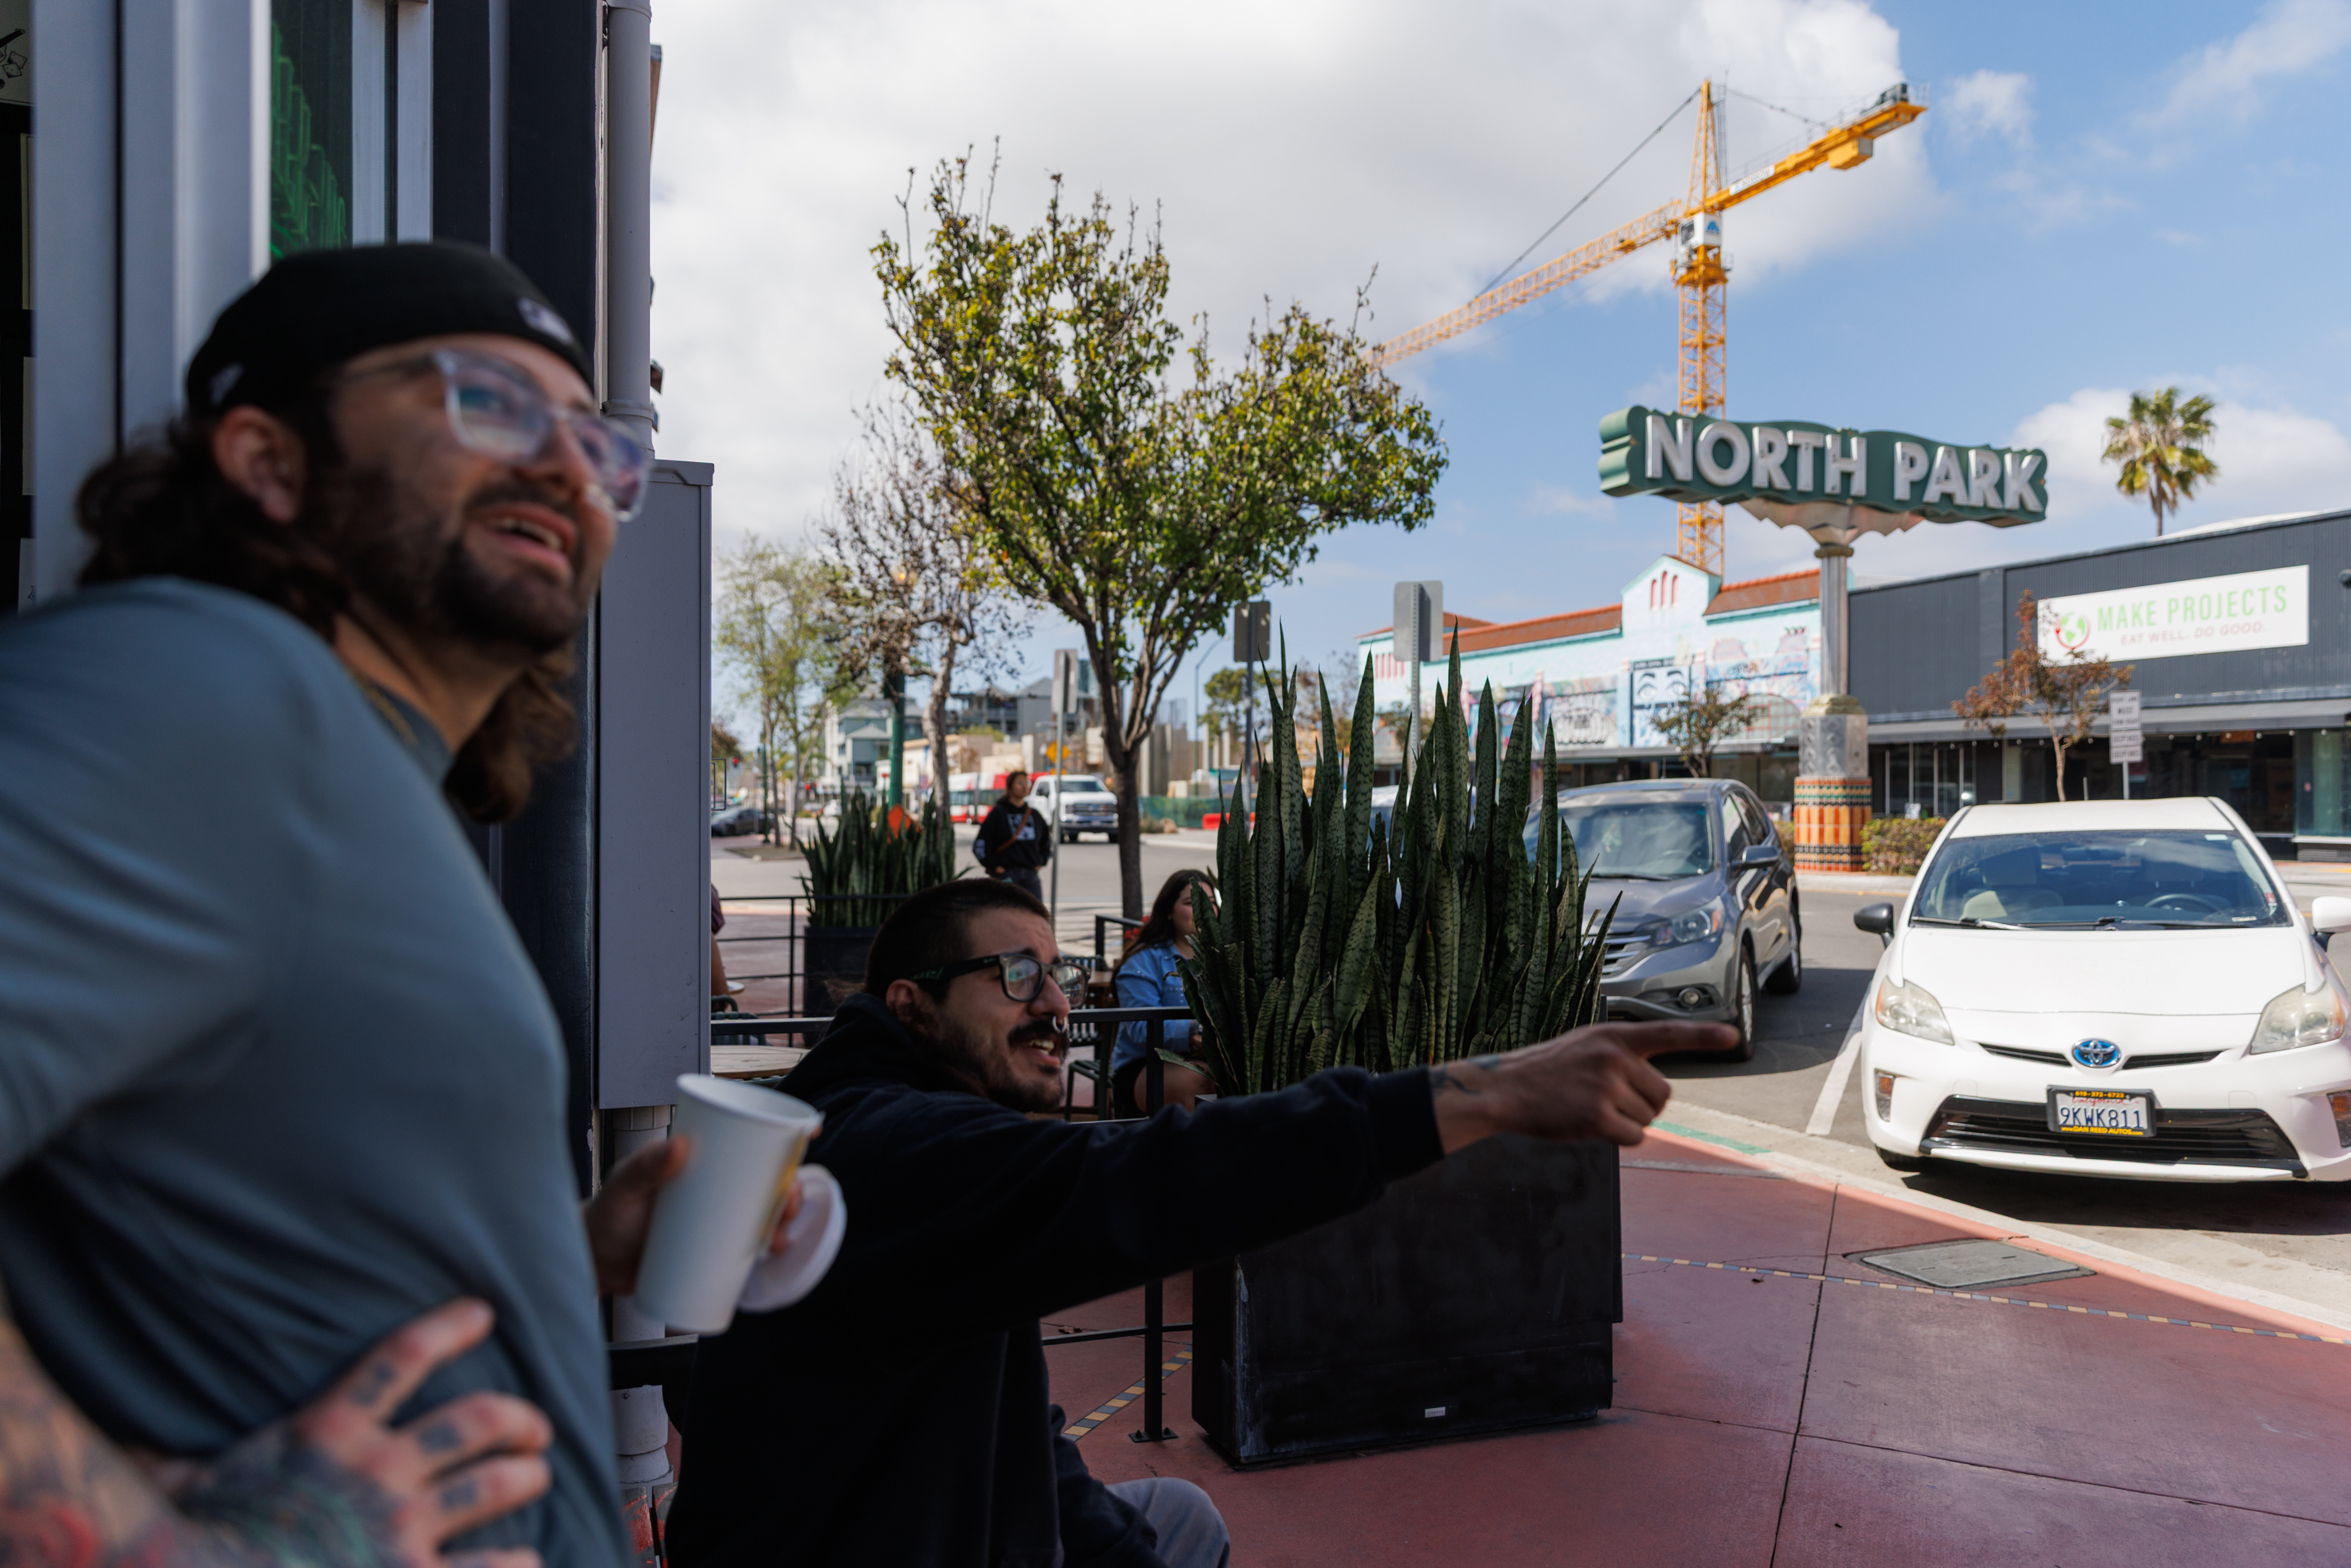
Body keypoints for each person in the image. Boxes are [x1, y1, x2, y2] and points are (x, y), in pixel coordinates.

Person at [0, 242, 818, 1568]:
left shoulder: (347, 772)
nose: (568, 466)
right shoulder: (201, 688)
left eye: (598, 447)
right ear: (269, 459)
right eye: (485, 400)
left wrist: (558, 1259)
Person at [666, 877, 1732, 1568]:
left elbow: (1018, 1443)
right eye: (1016, 976)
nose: (1057, 1006)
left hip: (926, 1518)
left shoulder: (877, 1133)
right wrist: (1486, 1093)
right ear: (909, 1005)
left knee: (1175, 1520)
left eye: (1061, 974)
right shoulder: (883, 1155)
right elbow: (1150, 1175)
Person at [1110, 868, 1217, 1116]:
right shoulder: (1144, 961)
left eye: (1211, 903)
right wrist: (1195, 1033)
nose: (1204, 910)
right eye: (1191, 903)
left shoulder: (1223, 960)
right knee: (1199, 1080)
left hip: (1210, 1060)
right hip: (1146, 1065)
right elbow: (1140, 1028)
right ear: (1169, 911)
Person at [973, 769, 1051, 901]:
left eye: (1027, 782)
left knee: (1035, 916)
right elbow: (980, 844)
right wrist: (995, 867)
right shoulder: (998, 813)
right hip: (1006, 874)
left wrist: (1041, 861)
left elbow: (1046, 841)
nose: (1025, 786)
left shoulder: (1034, 814)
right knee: (1006, 916)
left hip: (1030, 875)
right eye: (1020, 783)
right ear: (1010, 787)